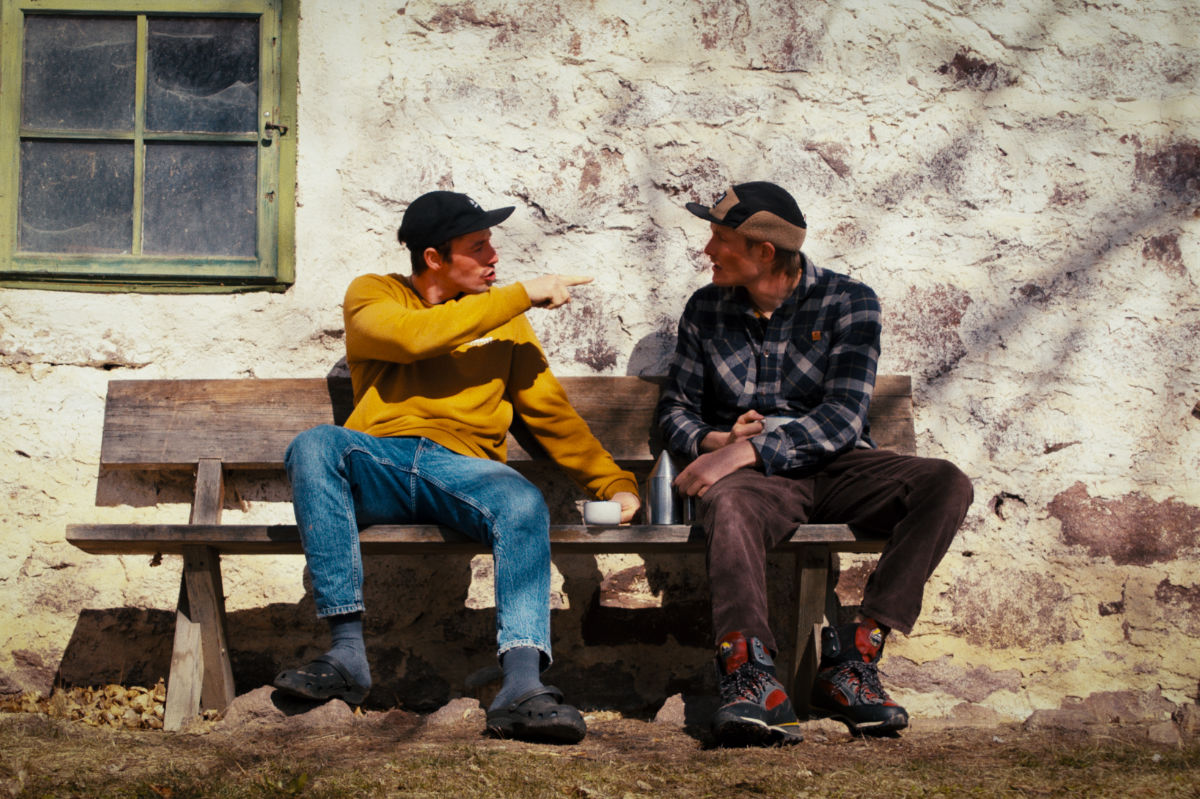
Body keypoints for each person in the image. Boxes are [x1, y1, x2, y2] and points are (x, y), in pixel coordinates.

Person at [273, 190, 641, 744]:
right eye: (478, 246)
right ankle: (347, 655)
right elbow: (413, 337)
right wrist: (522, 295)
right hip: (384, 465)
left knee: (520, 498)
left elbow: (549, 415)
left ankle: (521, 685)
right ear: (434, 259)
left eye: (492, 243)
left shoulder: (509, 323)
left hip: (464, 476)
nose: (494, 257)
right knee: (315, 444)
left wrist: (612, 482)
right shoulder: (375, 294)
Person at [656, 181, 973, 746]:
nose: (707, 249)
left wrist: (745, 450)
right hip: (756, 484)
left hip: (841, 468)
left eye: (719, 237)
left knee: (945, 483)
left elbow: (844, 418)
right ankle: (751, 679)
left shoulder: (850, 302)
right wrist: (714, 440)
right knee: (727, 503)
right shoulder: (705, 309)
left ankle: (855, 659)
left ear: (763, 251)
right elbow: (674, 411)